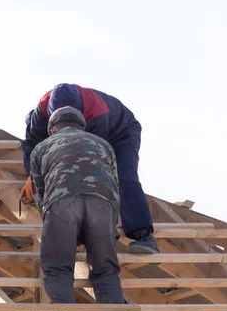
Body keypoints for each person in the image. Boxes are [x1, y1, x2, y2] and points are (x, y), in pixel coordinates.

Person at [21, 83, 159, 254]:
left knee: (121, 178)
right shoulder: (40, 112)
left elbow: (90, 165)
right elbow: (31, 142)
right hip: (75, 131)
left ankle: (143, 236)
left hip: (120, 133)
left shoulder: (96, 113)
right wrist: (30, 177)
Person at [30, 106, 129, 311]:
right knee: (105, 270)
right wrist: (110, 229)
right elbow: (115, 187)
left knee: (57, 268)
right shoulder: (103, 145)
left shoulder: (42, 147)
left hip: (62, 205)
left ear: (52, 128)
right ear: (80, 125)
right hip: (103, 207)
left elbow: (40, 193)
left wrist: (59, 232)